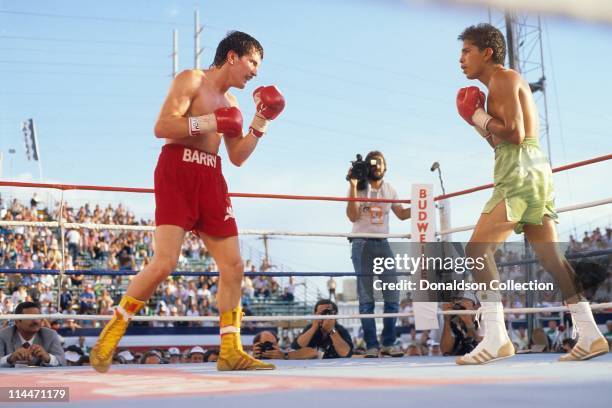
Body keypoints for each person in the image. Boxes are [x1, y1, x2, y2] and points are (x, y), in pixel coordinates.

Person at [90, 31, 285, 373]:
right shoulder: (191, 79)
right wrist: (211, 121)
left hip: (211, 176)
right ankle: (112, 332)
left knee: (235, 266)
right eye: (252, 62)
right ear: (232, 57)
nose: (255, 72)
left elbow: (238, 157)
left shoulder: (235, 105)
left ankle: (230, 350)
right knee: (165, 262)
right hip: (177, 168)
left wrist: (261, 121)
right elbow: (162, 126)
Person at [455, 23, 607, 364]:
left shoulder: (503, 79)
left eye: (466, 51)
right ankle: (591, 334)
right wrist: (477, 122)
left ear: (487, 52)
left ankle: (496, 338)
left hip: (520, 172)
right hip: (529, 167)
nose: (461, 59)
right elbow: (500, 140)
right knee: (552, 259)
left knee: (477, 249)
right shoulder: (499, 84)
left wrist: (478, 114)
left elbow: (514, 133)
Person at [346, 151, 410, 358]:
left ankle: (388, 343)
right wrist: (353, 185)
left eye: (380, 163)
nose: (376, 166)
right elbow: (352, 215)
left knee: (392, 295)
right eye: (372, 163)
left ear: (386, 166)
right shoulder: (360, 186)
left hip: (383, 242)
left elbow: (400, 214)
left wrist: (421, 205)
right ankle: (371, 345)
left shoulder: (389, 188)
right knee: (366, 299)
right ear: (366, 165)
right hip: (361, 242)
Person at [0, 301, 65, 367]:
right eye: (30, 317)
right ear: (17, 322)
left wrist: (48, 358)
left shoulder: (50, 335)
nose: (36, 321)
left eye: (38, 317)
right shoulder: (3, 335)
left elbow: (62, 362)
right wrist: (10, 358)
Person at [252, 330, 318, 360]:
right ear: (256, 345)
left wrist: (285, 356)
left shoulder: (283, 353)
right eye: (266, 344)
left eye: (274, 344)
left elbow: (313, 352)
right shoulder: (249, 358)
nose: (270, 347)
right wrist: (252, 359)